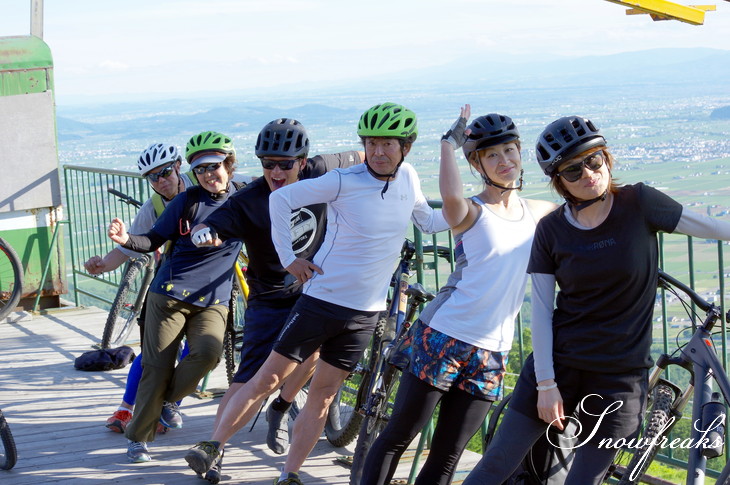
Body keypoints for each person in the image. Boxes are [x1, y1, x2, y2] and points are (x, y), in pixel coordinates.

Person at [183, 102, 449, 485]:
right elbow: (280, 199)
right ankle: (213, 445)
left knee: (323, 395)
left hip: (365, 313)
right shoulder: (344, 180)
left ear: (405, 146)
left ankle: (290, 473)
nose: (378, 151)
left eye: (387, 143)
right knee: (267, 379)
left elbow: (428, 219)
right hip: (320, 301)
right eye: (371, 143)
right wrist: (290, 259)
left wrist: (478, 206)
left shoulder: (408, 176)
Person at [463, 116, 730, 485]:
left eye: (594, 160)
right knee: (494, 467)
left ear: (606, 158)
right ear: (559, 182)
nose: (588, 173)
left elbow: (714, 227)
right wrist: (545, 385)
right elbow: (541, 312)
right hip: (558, 367)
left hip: (619, 377)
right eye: (573, 170)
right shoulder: (551, 230)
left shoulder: (640, 203)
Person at [360, 106, 557, 485]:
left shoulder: (539, 212)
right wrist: (448, 145)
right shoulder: (471, 212)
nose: (504, 161)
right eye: (491, 155)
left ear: (520, 153)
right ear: (477, 164)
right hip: (444, 335)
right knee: (400, 435)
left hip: (492, 351)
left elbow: (581, 206)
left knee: (449, 454)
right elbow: (449, 196)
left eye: (510, 151)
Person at [185, 118, 364, 483]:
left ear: (303, 161)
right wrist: (203, 234)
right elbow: (212, 226)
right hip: (269, 299)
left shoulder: (321, 170)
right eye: (268, 164)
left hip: (314, 294)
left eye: (285, 164)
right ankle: (213, 452)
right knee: (247, 380)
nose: (277, 172)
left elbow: (365, 154)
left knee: (314, 355)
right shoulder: (249, 201)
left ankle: (281, 407)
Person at [107, 131, 248, 464]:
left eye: (214, 167)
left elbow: (284, 185)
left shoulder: (245, 195)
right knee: (156, 367)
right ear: (193, 172)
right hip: (169, 296)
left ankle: (166, 403)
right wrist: (127, 238)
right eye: (200, 170)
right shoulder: (187, 201)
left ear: (228, 165)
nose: (208, 175)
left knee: (208, 354)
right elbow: (153, 239)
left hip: (212, 299)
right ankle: (138, 439)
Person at [84, 143, 197, 434]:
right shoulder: (154, 207)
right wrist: (103, 264)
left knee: (198, 349)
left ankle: (168, 407)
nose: (160, 180)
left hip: (209, 280)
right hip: (171, 279)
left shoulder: (205, 186)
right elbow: (132, 245)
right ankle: (125, 409)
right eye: (152, 177)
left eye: (164, 172)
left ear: (178, 166)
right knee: (153, 348)